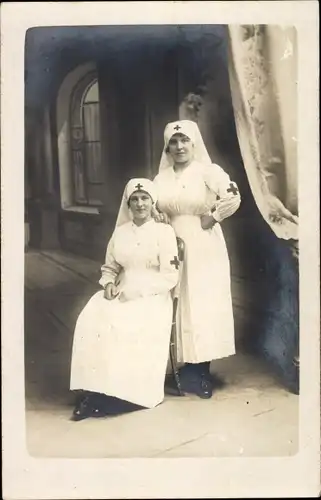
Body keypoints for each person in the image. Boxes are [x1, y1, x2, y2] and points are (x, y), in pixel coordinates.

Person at [70, 178, 179, 421]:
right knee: (91, 317)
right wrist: (108, 283)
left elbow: (170, 276)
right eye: (135, 199)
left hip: (153, 296)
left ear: (153, 202)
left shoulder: (165, 232)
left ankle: (121, 393)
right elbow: (110, 267)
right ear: (128, 204)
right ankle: (93, 389)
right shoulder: (120, 233)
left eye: (145, 199)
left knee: (125, 324)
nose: (140, 204)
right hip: (122, 291)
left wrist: (140, 291)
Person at [153, 120, 241, 399]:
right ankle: (184, 368)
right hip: (171, 244)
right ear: (167, 147)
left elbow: (233, 196)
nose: (179, 147)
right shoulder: (161, 178)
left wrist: (213, 217)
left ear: (194, 143)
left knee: (201, 303)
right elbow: (156, 209)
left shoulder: (207, 171)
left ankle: (201, 370)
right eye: (174, 142)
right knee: (177, 302)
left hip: (203, 244)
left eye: (184, 141)